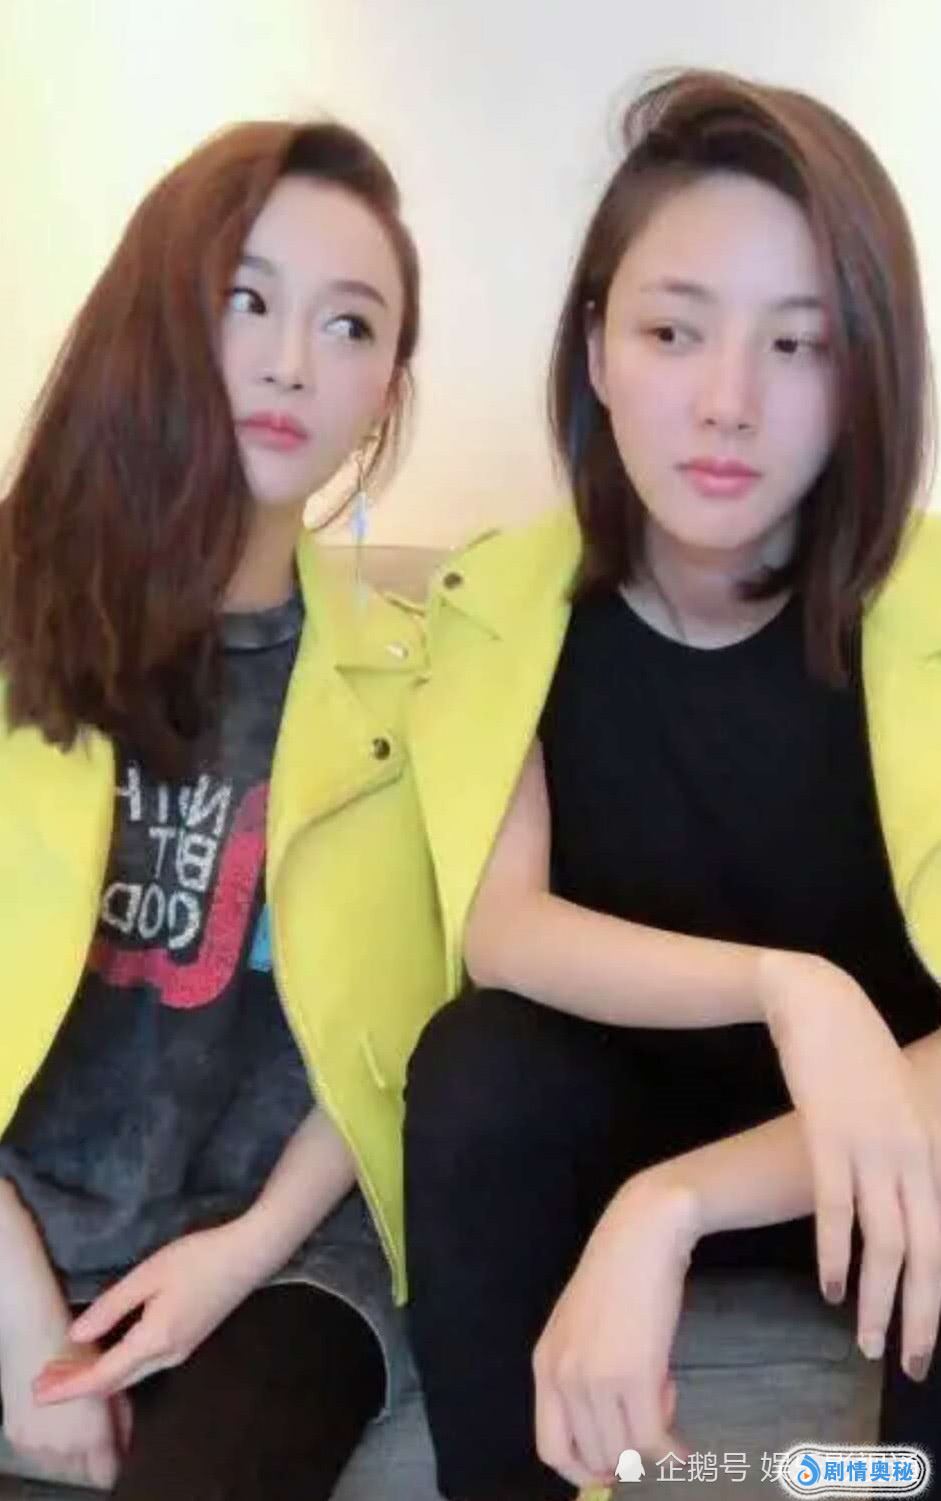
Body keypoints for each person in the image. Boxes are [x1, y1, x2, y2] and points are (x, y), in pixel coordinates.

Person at [403, 70, 941, 1500]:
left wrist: (676, 1202)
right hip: (609, 1112)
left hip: (882, 1148)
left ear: (865, 375)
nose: (726, 403)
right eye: (670, 330)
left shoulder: (928, 615)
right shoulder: (502, 602)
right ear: (595, 348)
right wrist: (788, 986)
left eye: (797, 343)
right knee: (475, 1069)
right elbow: (502, 930)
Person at [0, 117, 445, 1498]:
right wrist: (22, 1328)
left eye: (350, 324)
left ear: (386, 388)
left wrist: (237, 1258)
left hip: (283, 1257)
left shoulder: (414, 678)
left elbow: (399, 1031)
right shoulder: (19, 625)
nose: (292, 361)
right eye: (246, 299)